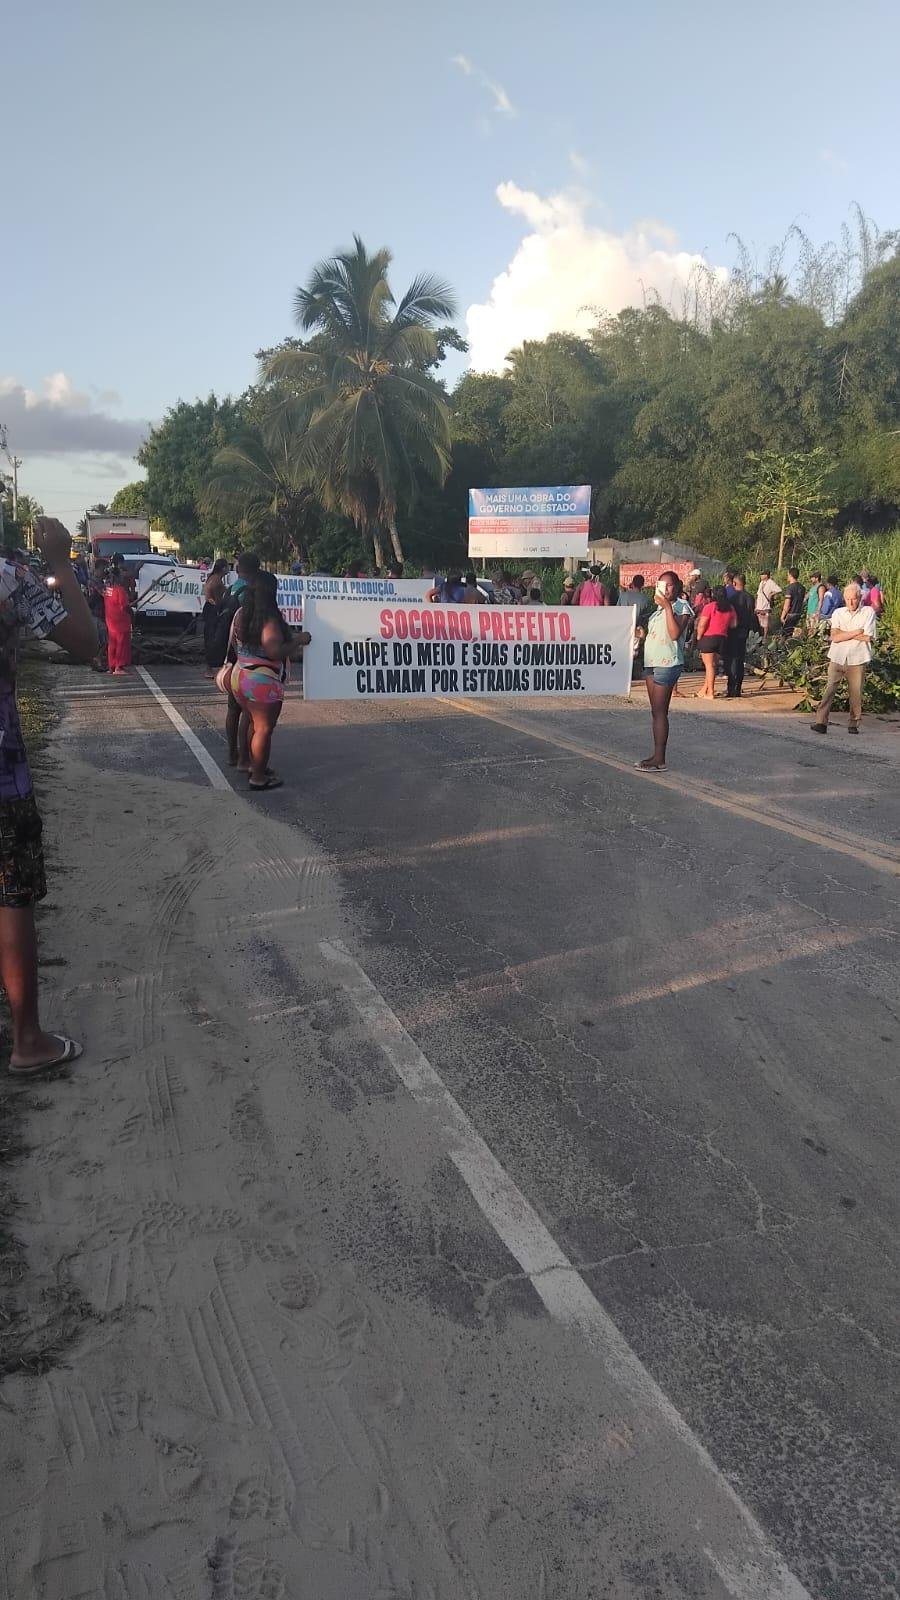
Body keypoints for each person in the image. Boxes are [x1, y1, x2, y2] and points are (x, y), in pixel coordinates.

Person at [1, 519, 97, 1074]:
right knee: (10, 897)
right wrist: (61, 560)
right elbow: (85, 643)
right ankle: (28, 1040)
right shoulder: (10, 581)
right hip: (3, 774)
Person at [230, 572, 310, 789]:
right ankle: (258, 777)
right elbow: (274, 650)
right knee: (264, 729)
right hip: (263, 680)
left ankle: (249, 764)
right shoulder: (269, 620)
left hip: (242, 675)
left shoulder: (241, 614)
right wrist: (299, 640)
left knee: (252, 723)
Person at [635, 572, 693, 771]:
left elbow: (675, 633)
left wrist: (668, 606)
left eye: (670, 585)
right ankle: (656, 755)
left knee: (660, 712)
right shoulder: (658, 610)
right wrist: (642, 635)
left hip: (667, 663)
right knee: (656, 712)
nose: (666, 589)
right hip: (652, 661)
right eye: (662, 585)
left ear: (677, 587)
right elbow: (657, 634)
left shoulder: (681, 607)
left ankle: (660, 759)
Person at [811, 582, 877, 736]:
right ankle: (821, 721)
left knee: (855, 692)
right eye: (847, 599)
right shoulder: (838, 613)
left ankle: (854, 723)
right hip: (837, 657)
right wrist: (855, 632)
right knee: (829, 689)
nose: (850, 602)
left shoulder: (868, 612)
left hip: (857, 658)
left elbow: (868, 637)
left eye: (853, 599)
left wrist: (844, 634)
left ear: (859, 597)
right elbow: (835, 636)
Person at [694, 585, 736, 698]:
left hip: (708, 638)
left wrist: (698, 636)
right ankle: (704, 690)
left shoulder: (709, 607)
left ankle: (710, 692)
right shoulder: (730, 608)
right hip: (722, 639)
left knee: (709, 666)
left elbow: (702, 624)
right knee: (713, 666)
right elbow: (734, 624)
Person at [722, 574, 756, 698]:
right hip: (745, 631)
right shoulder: (750, 597)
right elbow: (752, 614)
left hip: (733, 631)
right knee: (740, 659)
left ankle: (731, 687)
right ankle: (738, 688)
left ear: (734, 584)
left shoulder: (732, 598)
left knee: (731, 659)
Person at [201, 559, 230, 676]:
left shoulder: (214, 578)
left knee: (213, 637)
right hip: (212, 609)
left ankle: (212, 667)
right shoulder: (216, 580)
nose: (229, 569)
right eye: (227, 567)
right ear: (223, 568)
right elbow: (214, 598)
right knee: (213, 637)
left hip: (212, 609)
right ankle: (209, 668)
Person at [104, 568, 133, 675]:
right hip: (120, 621)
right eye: (121, 575)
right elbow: (125, 606)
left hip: (111, 621)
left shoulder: (108, 589)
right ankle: (119, 667)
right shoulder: (120, 590)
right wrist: (132, 613)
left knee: (112, 644)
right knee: (121, 644)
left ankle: (111, 666)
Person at [754, 571, 781, 636]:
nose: (761, 576)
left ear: (766, 575)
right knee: (759, 622)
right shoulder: (761, 583)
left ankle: (765, 637)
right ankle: (760, 636)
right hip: (759, 606)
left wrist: (771, 594)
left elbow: (779, 589)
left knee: (765, 624)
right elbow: (758, 594)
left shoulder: (770, 582)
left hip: (765, 606)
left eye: (762, 575)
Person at [780, 568, 806, 636]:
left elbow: (787, 604)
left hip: (790, 614)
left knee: (785, 635)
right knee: (793, 634)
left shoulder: (790, 588)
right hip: (798, 614)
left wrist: (782, 616)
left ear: (790, 575)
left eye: (788, 575)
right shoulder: (802, 588)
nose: (787, 576)